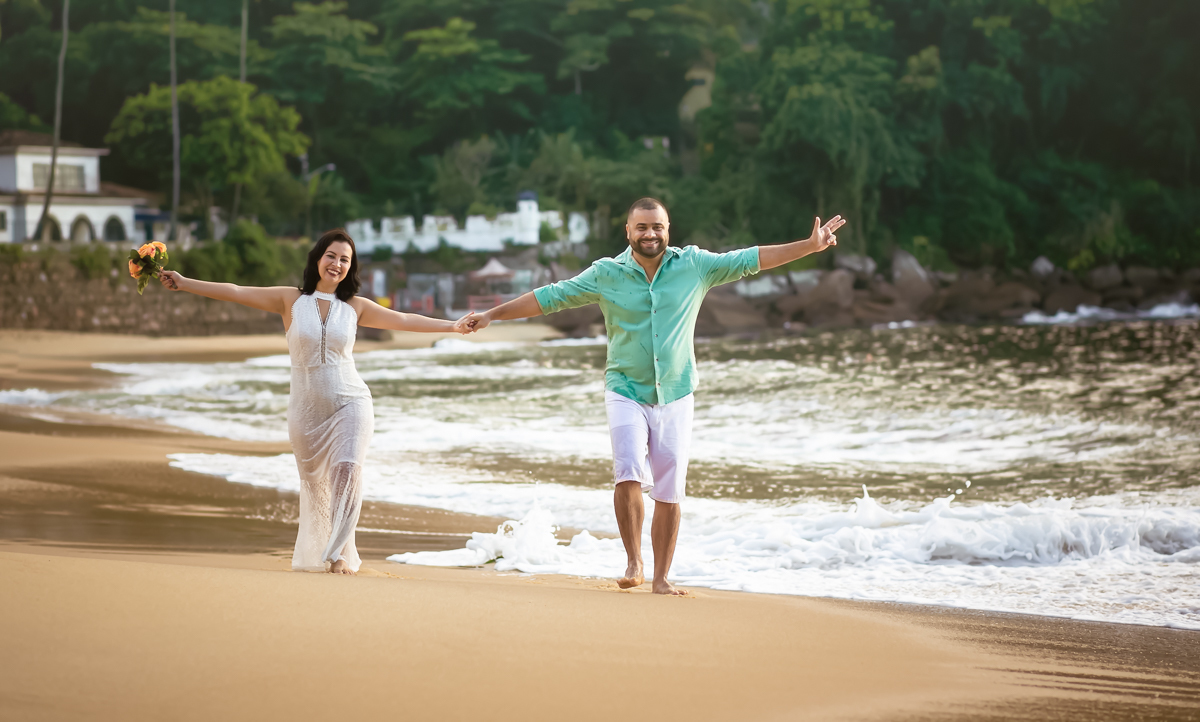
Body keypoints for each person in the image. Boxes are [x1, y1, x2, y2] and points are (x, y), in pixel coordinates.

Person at [468, 198, 844, 594]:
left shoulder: (695, 265)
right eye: (642, 227)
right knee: (627, 471)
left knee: (669, 489)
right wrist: (493, 314)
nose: (650, 234)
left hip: (677, 392)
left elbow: (751, 259)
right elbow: (550, 297)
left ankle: (662, 578)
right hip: (625, 389)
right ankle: (634, 562)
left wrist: (809, 246)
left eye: (657, 226)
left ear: (668, 229)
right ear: (628, 232)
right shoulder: (606, 273)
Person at [159, 229, 475, 574]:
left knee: (347, 470)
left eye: (345, 259)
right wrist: (185, 283)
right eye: (331, 256)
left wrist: (453, 327)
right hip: (306, 411)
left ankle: (339, 556)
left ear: (351, 267)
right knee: (316, 486)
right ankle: (323, 550)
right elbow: (236, 291)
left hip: (351, 401)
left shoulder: (355, 306)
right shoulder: (290, 300)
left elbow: (403, 319)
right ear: (318, 258)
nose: (336, 264)